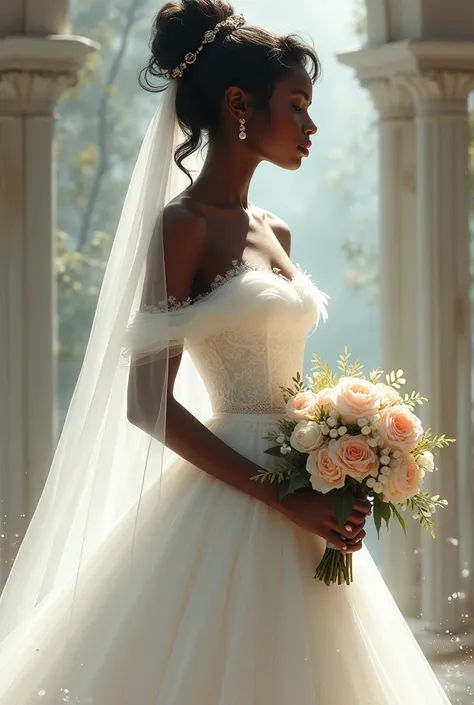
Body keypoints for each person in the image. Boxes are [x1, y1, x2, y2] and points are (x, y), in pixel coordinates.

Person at [0, 1, 453, 703]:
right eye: (296, 104)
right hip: (238, 496)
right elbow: (148, 403)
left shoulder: (279, 232)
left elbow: (290, 385)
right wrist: (283, 499)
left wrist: (342, 457)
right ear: (240, 104)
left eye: (310, 106)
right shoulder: (182, 228)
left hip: (305, 489)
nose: (310, 124)